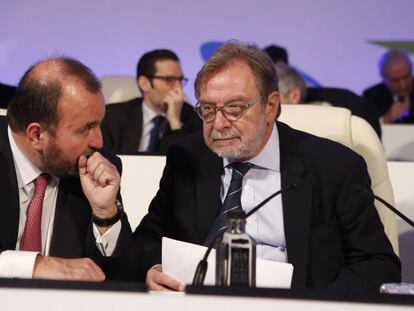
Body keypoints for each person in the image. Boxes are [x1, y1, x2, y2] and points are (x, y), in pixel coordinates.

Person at [134, 42, 401, 292]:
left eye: (234, 109)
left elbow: (378, 265)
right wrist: (152, 269)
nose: (218, 125)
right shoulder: (188, 158)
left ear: (271, 106)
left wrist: (314, 306)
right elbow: (146, 242)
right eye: (208, 109)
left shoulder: (333, 166)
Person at [0, 57, 136, 281]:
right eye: (86, 128)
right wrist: (35, 266)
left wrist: (105, 214)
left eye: (99, 124)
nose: (99, 142)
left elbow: (123, 277)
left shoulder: (98, 166)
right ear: (36, 135)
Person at [101, 49, 202, 154]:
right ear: (144, 83)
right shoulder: (113, 117)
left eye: (180, 80)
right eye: (169, 80)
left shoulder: (195, 119)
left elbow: (188, 163)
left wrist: (175, 123)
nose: (178, 88)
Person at [363, 49, 414, 124]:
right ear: (383, 77)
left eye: (406, 77)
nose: (403, 85)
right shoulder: (371, 97)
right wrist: (386, 119)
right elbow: (365, 129)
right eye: (395, 80)